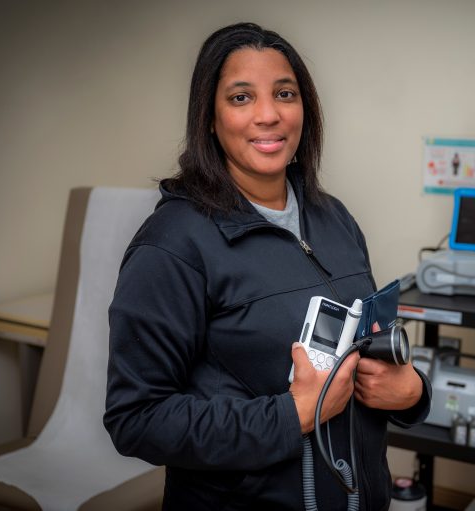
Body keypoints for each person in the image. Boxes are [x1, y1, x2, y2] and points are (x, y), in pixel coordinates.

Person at [104, 22, 431, 511]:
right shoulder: (173, 244)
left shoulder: (333, 217)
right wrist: (293, 414)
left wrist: (411, 392)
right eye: (240, 98)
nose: (268, 114)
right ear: (209, 119)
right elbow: (136, 419)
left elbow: (366, 349)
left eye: (284, 93)